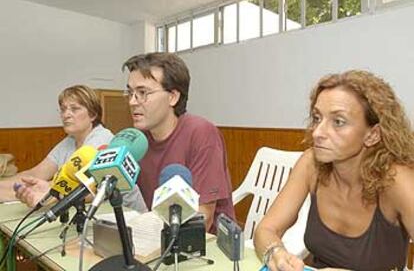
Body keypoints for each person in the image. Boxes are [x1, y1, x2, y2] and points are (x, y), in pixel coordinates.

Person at [254, 70, 414, 271]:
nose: (318, 132)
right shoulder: (310, 164)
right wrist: (275, 253)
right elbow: (266, 229)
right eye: (317, 118)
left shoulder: (397, 181)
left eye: (338, 122)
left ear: (372, 135)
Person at [121, 52, 235, 233]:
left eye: (142, 93)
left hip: (206, 247)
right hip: (155, 236)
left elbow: (203, 218)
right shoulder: (137, 140)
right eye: (130, 92)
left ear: (173, 97)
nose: (132, 101)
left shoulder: (201, 133)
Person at [0, 85, 114, 207]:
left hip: (120, 213)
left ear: (93, 115)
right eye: (63, 109)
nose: (66, 115)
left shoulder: (102, 140)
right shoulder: (69, 140)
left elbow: (89, 190)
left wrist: (51, 191)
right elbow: (36, 174)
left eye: (74, 109)